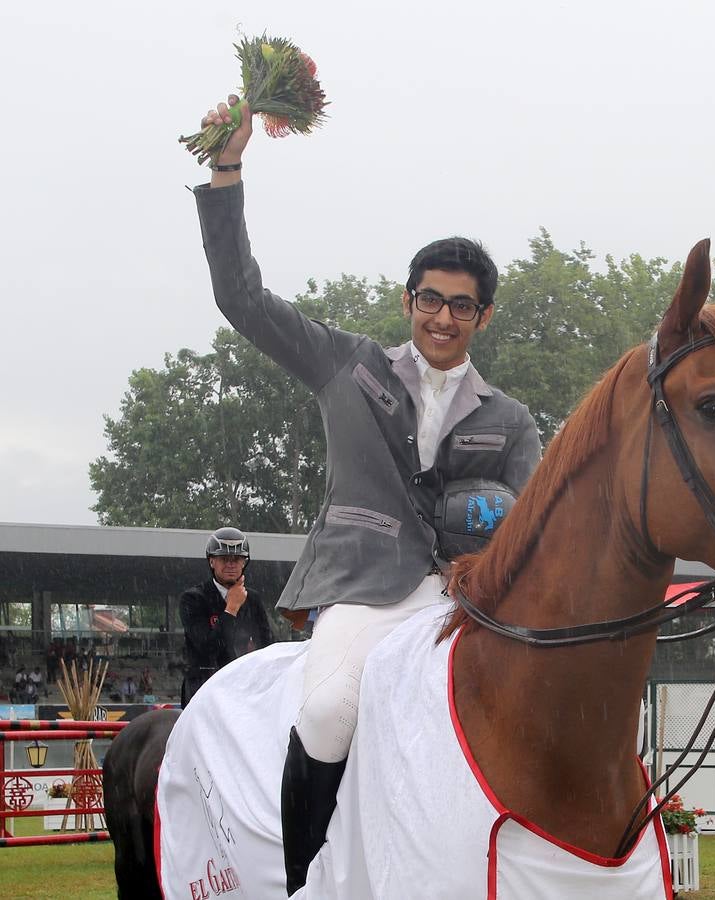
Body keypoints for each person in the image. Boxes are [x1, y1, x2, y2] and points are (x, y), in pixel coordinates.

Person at [193, 95, 542, 894]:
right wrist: (227, 166)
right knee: (326, 715)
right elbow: (241, 298)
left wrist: (480, 564)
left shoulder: (513, 421)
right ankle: (300, 881)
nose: (442, 315)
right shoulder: (346, 367)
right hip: (363, 589)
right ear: (408, 300)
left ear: (481, 315)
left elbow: (524, 523)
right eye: (429, 298)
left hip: (463, 601)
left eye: (460, 304)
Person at [180, 527, 273, 706]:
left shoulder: (253, 599)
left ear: (244, 562)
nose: (231, 564)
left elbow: (267, 645)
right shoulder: (193, 598)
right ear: (212, 561)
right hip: (203, 687)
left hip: (243, 686)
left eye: (237, 559)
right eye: (224, 559)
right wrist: (231, 609)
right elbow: (208, 649)